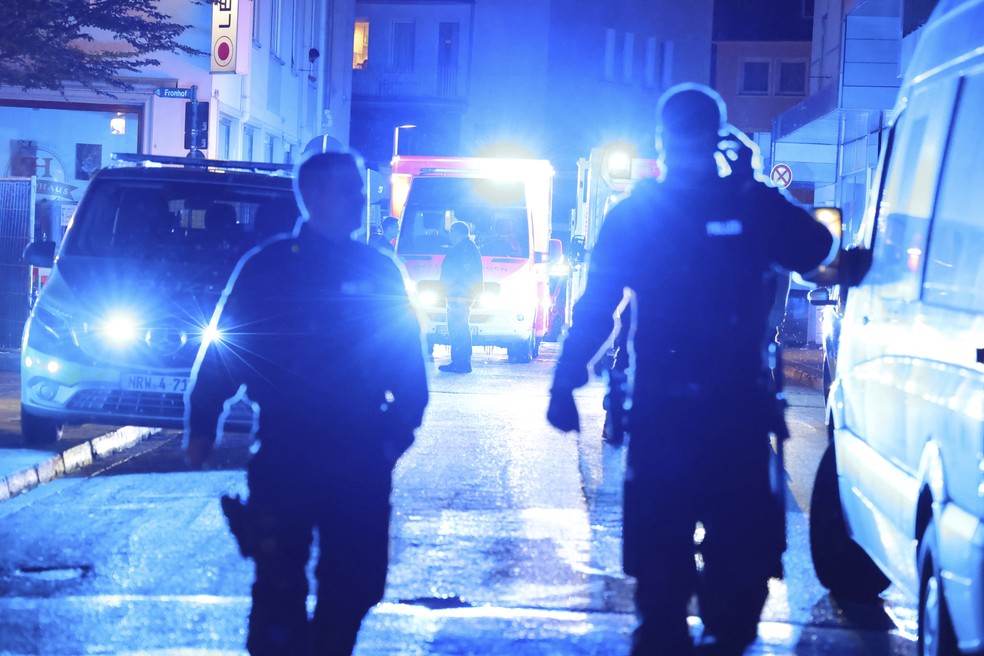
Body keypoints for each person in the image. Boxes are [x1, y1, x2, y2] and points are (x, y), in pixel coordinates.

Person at [547, 83, 836, 656]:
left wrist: (567, 377)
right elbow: (816, 246)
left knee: (660, 575)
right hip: (737, 409)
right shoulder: (749, 205)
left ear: (661, 142)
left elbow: (597, 304)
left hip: (665, 408)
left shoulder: (638, 213)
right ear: (718, 137)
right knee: (741, 573)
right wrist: (749, 184)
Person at [184, 148, 429, 656]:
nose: (362, 200)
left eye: (363, 191)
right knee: (278, 584)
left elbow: (408, 368)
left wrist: (391, 438)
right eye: (350, 191)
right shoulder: (269, 268)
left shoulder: (379, 271)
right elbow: (228, 350)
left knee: (359, 583)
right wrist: (203, 423)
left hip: (360, 451)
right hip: (286, 450)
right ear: (314, 196)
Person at [438, 220, 483, 373]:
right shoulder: (466, 248)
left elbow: (466, 274)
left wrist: (461, 295)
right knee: (457, 328)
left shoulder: (465, 249)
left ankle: (461, 363)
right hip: (457, 295)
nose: (450, 235)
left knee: (459, 329)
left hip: (459, 296)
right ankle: (459, 361)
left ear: (457, 232)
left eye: (451, 232)